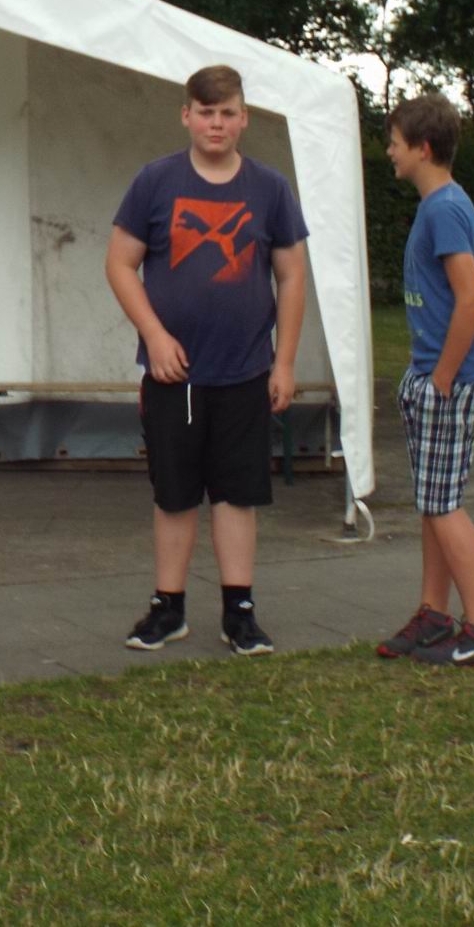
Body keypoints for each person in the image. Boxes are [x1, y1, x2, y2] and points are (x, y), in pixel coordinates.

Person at [105, 65, 308, 657]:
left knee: (237, 494)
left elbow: (292, 277)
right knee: (174, 494)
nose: (216, 124)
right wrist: (154, 335)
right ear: (186, 116)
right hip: (174, 375)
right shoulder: (154, 181)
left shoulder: (270, 189)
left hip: (246, 371)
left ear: (244, 119)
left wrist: (285, 362)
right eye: (205, 112)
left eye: (227, 113)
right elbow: (119, 263)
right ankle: (167, 609)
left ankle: (239, 612)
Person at [377, 93, 474, 670]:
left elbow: (471, 300)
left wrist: (441, 380)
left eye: (394, 143)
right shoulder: (439, 205)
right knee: (433, 503)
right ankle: (434, 615)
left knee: (444, 506)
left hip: (451, 379)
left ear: (423, 148)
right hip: (437, 375)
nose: (389, 152)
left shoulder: (444, 210)